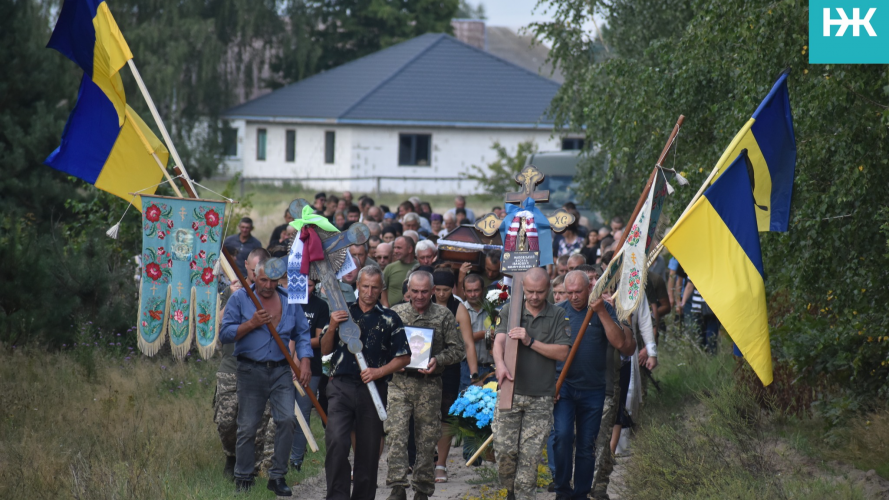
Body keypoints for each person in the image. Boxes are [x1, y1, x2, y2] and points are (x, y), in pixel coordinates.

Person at [220, 256, 313, 496]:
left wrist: (304, 361)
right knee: (248, 426)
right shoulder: (241, 298)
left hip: (282, 370)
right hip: (250, 370)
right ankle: (243, 477)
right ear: (254, 276)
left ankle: (277, 476)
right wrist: (251, 324)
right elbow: (226, 334)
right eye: (263, 280)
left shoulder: (289, 300)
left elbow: (302, 333)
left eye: (273, 281)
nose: (268, 286)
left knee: (286, 421)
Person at [321, 266, 411, 500]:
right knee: (337, 442)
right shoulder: (343, 313)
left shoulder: (390, 318)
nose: (369, 292)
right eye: (365, 286)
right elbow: (324, 350)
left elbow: (404, 356)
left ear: (381, 288)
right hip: (340, 387)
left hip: (373, 390)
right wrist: (332, 326)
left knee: (368, 452)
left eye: (374, 287)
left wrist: (378, 371)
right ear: (357, 286)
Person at [553, 271, 634, 500]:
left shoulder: (605, 310)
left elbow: (620, 343)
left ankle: (581, 493)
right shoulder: (558, 312)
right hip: (565, 387)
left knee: (587, 445)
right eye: (569, 293)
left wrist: (599, 310)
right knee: (563, 436)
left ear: (590, 287)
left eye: (578, 291)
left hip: (594, 389)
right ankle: (562, 490)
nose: (574, 297)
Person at [492, 267, 572, 500]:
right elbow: (498, 342)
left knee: (529, 460)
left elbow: (562, 353)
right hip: (510, 392)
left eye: (539, 292)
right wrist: (500, 364)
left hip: (541, 397)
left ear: (548, 289)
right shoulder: (510, 311)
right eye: (530, 291)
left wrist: (530, 340)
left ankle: (523, 494)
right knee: (505, 453)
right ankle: (511, 491)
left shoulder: (558, 315)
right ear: (522, 289)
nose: (535, 297)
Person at [387, 271, 465, 500]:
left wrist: (437, 360)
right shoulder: (395, 313)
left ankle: (422, 489)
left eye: (424, 291)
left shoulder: (443, 315)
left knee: (427, 439)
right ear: (408, 291)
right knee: (396, 434)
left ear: (432, 291)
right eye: (415, 291)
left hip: (429, 385)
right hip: (399, 384)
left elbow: (458, 349)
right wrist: (394, 363)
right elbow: (382, 348)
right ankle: (397, 487)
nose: (419, 296)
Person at [215, 248, 274, 480]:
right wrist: (231, 297)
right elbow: (218, 327)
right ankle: (231, 455)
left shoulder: (273, 293)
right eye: (251, 269)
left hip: (260, 367)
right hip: (232, 365)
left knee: (257, 423)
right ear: (247, 266)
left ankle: (248, 468)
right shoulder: (233, 292)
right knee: (226, 420)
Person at [431, 269, 479, 483]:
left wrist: (474, 372)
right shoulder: (423, 301)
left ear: (453, 289)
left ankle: (441, 463)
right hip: (423, 368)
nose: (441, 294)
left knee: (446, 418)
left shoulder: (458, 308)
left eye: (446, 290)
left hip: (449, 369)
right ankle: (422, 459)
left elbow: (468, 343)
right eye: (438, 290)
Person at [289, 277, 329, 472]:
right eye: (302, 285)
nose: (306, 289)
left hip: (310, 365)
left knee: (302, 413)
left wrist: (299, 348)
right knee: (284, 413)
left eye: (310, 286)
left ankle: (296, 459)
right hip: (285, 362)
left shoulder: (320, 306)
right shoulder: (287, 299)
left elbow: (320, 339)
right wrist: (292, 356)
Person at [381, 237, 416, 307]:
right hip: (392, 312)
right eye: (394, 248)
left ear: (410, 249)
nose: (395, 251)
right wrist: (386, 308)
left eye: (399, 248)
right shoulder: (389, 268)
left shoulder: (419, 267)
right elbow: (382, 288)